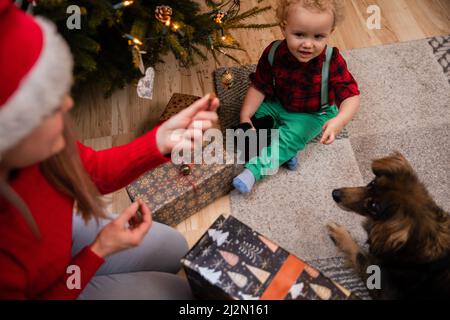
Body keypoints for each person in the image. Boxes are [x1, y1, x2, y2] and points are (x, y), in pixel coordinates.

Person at [0, 0, 219, 299]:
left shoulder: (43, 150)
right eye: (48, 107)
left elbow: (92, 170)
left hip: (61, 242)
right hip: (55, 289)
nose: (67, 106)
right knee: (179, 294)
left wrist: (159, 140)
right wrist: (98, 251)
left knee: (175, 247)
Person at [232, 0, 360, 193]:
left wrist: (339, 121)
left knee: (291, 136)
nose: (308, 44)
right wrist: (245, 117)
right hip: (278, 102)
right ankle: (285, 151)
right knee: (243, 132)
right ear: (284, 27)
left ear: (330, 32)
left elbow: (351, 95)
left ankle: (254, 170)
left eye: (318, 36)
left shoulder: (332, 60)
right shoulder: (274, 51)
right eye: (299, 34)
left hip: (314, 113)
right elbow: (259, 86)